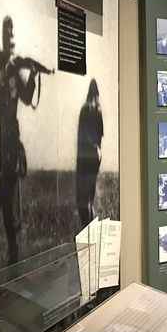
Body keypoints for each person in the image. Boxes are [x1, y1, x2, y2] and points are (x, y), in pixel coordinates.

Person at [0, 16, 54, 277]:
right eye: (6, 33)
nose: (9, 38)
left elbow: (27, 97)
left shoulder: (14, 67)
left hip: (10, 149)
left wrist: (33, 74)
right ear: (2, 37)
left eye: (12, 34)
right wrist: (10, 69)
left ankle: (13, 274)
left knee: (11, 219)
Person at [76, 80, 104, 228]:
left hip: (83, 157)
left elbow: (82, 136)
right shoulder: (98, 110)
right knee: (89, 198)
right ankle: (91, 229)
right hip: (94, 156)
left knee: (82, 198)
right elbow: (100, 137)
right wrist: (97, 151)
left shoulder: (84, 109)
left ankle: (86, 229)